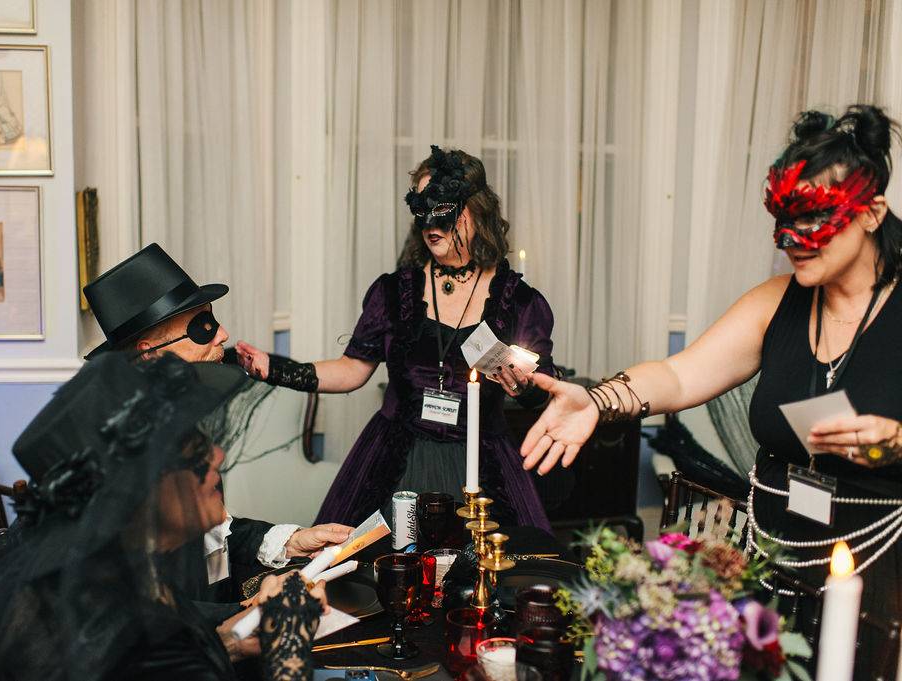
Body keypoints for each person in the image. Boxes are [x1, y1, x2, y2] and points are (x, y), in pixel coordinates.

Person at [520, 105, 902, 674]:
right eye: (783, 218)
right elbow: (678, 376)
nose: (792, 239)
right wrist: (595, 400)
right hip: (771, 570)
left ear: (871, 213)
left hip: (878, 584)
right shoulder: (777, 301)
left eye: (815, 218)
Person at [0, 353, 328, 681]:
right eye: (192, 449)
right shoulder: (116, 629)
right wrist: (288, 646)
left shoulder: (119, 569)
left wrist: (229, 642)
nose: (218, 456)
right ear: (142, 489)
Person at [236, 146, 556, 530]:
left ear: (475, 209)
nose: (429, 223)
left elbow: (544, 389)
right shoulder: (394, 293)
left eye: (440, 207)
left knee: (489, 563)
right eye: (420, 209)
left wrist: (524, 386)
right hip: (394, 462)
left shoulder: (517, 301)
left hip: (482, 466)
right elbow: (351, 370)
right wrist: (275, 368)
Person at [83, 243, 351, 603]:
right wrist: (244, 614)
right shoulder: (124, 459)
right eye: (202, 327)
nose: (222, 334)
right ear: (150, 353)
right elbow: (148, 614)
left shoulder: (175, 420)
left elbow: (214, 536)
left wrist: (291, 540)